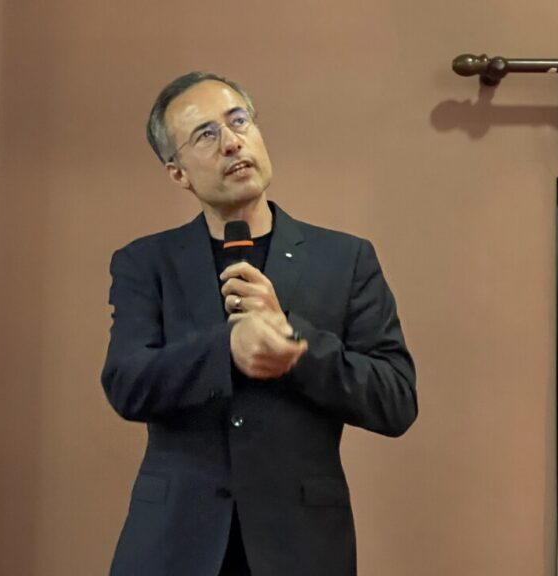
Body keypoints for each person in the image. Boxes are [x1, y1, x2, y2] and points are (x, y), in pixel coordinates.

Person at [102, 71, 417, 576]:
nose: (231, 142)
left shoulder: (346, 259)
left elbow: (396, 399)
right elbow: (126, 382)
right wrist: (226, 349)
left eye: (239, 121)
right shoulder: (146, 262)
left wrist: (294, 341)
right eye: (206, 134)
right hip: (173, 545)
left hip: (302, 548)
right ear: (178, 173)